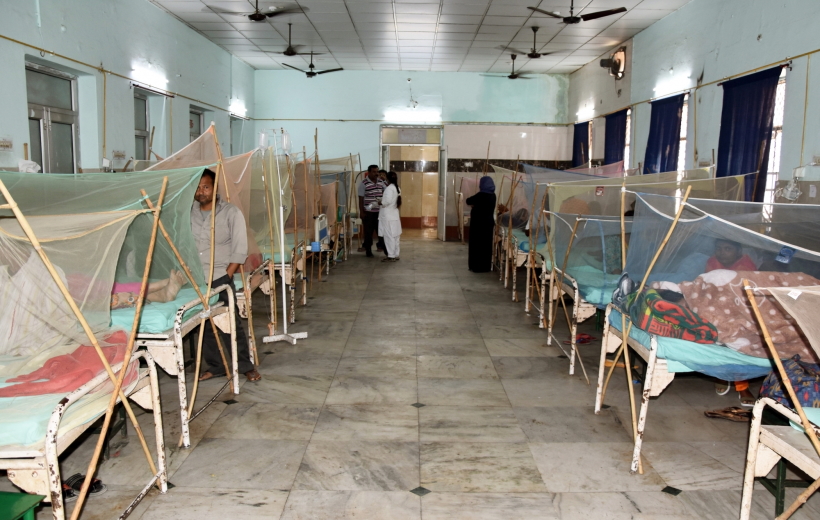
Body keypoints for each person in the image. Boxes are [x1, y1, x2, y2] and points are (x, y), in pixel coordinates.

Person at [190, 169, 260, 382]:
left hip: (220, 275)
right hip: (195, 277)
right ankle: (217, 365)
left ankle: (245, 365)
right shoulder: (188, 213)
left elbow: (240, 249)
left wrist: (227, 275)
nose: (201, 192)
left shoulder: (230, 212)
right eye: (198, 187)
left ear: (215, 188)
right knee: (205, 324)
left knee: (231, 324)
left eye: (206, 187)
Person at [706, 238, 757, 406]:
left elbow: (746, 296)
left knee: (739, 339)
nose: (721, 252)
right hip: (716, 307)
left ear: (739, 252)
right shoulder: (712, 262)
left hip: (740, 309)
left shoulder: (746, 266)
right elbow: (707, 287)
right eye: (719, 248)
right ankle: (721, 375)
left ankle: (741, 385)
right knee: (713, 331)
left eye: (727, 249)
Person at [466, 176, 496, 272]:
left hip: (478, 225)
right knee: (486, 245)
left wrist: (474, 206)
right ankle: (485, 266)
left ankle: (476, 266)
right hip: (488, 225)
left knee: (476, 245)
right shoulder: (493, 196)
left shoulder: (480, 195)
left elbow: (468, 200)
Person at [359, 165, 386, 257]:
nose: (376, 173)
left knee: (381, 232)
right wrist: (361, 212)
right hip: (368, 212)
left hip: (379, 212)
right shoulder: (364, 183)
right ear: (369, 172)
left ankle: (385, 250)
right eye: (374, 172)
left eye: (377, 171)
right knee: (368, 233)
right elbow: (361, 198)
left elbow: (387, 192)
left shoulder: (381, 182)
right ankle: (368, 251)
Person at [378, 171, 402, 262]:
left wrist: (378, 202)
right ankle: (396, 254)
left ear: (387, 179)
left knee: (389, 236)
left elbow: (386, 202)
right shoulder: (397, 188)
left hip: (387, 216)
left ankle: (391, 255)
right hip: (394, 215)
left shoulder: (389, 189)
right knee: (395, 235)